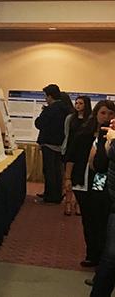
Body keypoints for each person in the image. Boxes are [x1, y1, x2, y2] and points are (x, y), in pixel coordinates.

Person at [64, 100, 115, 268]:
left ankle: (101, 257)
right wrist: (67, 178)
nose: (106, 117)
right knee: (88, 219)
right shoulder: (84, 132)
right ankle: (91, 255)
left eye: (110, 114)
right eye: (103, 113)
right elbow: (71, 157)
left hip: (100, 179)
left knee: (100, 218)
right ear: (96, 113)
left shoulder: (110, 136)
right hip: (81, 179)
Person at [91, 118, 115, 296]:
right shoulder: (100, 133)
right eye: (103, 112)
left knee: (111, 255)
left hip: (109, 192)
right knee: (96, 223)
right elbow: (98, 163)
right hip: (100, 184)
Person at [34, 84, 70, 204]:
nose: (45, 99)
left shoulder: (50, 109)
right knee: (57, 171)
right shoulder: (66, 108)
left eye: (46, 96)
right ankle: (56, 195)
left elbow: (39, 123)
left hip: (49, 144)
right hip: (60, 144)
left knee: (49, 171)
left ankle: (51, 197)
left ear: (50, 96)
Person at [62, 96, 92, 215]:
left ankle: (78, 203)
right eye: (76, 103)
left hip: (84, 153)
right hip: (70, 150)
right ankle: (68, 203)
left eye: (81, 103)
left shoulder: (90, 119)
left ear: (86, 105)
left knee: (81, 179)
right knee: (69, 178)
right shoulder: (70, 118)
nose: (78, 105)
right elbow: (66, 134)